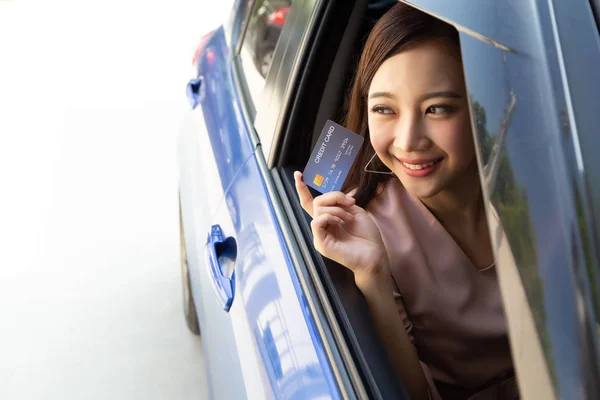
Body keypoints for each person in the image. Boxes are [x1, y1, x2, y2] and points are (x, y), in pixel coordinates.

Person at [294, 3, 518, 400]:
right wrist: (372, 274)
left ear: (486, 106)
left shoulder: (547, 186)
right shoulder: (365, 228)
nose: (409, 140)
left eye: (437, 108)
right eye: (384, 109)